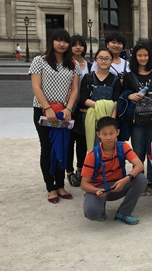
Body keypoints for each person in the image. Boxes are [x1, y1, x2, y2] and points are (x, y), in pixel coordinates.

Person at [29, 29, 81, 203]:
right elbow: (36, 87)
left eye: (65, 41)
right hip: (43, 110)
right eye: (58, 40)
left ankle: (60, 184)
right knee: (47, 148)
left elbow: (75, 89)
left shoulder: (73, 64)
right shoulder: (39, 61)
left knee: (63, 147)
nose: (62, 44)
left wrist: (69, 109)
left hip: (64, 112)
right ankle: (50, 187)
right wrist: (47, 108)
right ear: (51, 42)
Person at [80, 117, 148, 225]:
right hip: (98, 189)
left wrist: (125, 180)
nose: (108, 137)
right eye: (104, 134)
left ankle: (123, 212)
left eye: (111, 133)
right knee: (92, 213)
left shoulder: (123, 146)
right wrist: (96, 191)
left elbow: (139, 165)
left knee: (141, 179)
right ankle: (100, 208)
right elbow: (84, 184)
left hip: (117, 186)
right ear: (98, 134)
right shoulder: (93, 154)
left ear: (117, 132)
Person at [122, 42, 152, 196]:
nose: (143, 58)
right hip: (136, 120)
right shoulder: (129, 76)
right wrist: (129, 95)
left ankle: (150, 180)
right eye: (139, 55)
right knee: (138, 150)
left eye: (145, 55)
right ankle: (138, 179)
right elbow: (122, 96)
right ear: (134, 57)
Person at [79, 47, 121, 151]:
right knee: (93, 147)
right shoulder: (88, 78)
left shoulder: (115, 79)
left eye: (107, 58)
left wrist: (112, 120)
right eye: (101, 58)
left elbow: (116, 101)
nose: (103, 61)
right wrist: (101, 106)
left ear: (111, 60)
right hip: (90, 118)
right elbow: (83, 99)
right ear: (96, 60)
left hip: (109, 116)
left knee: (108, 147)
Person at [67, 35, 90, 187]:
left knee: (82, 142)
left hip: (83, 109)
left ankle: (80, 169)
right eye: (74, 45)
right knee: (68, 142)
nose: (78, 47)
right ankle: (69, 171)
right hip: (67, 108)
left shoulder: (91, 65)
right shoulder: (64, 65)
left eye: (80, 44)